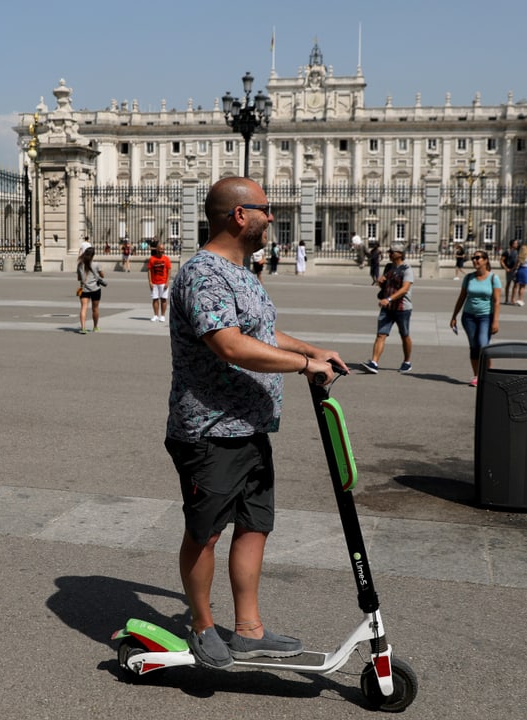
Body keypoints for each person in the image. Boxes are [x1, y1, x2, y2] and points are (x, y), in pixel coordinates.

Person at [165, 176, 347, 669]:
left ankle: (249, 630)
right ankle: (203, 626)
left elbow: (260, 331)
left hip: (249, 427)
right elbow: (229, 343)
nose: (272, 217)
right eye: (266, 209)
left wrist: (310, 348)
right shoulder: (204, 274)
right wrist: (303, 366)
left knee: (253, 527)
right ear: (240, 216)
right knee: (205, 533)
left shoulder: (242, 272)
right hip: (210, 431)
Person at [450, 250, 501, 387]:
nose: (475, 260)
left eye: (478, 258)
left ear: (485, 260)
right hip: (468, 317)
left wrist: (495, 321)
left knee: (483, 345)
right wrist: (454, 315)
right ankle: (477, 376)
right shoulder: (468, 278)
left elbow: (496, 301)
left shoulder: (493, 278)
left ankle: (489, 374)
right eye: (473, 258)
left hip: (486, 316)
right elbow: (462, 297)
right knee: (474, 347)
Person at [361, 247, 414, 374]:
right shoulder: (389, 267)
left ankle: (407, 362)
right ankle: (374, 363)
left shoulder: (407, 269)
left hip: (402, 308)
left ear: (400, 254)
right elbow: (384, 283)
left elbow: (405, 289)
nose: (389, 254)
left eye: (392, 252)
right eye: (389, 251)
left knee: (404, 335)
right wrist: (380, 282)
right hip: (387, 308)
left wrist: (389, 299)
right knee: (381, 334)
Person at [76, 247, 105, 334]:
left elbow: (78, 278)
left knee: (83, 308)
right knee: (95, 308)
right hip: (95, 289)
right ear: (93, 255)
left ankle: (83, 328)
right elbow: (102, 275)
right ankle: (95, 327)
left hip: (84, 289)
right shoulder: (96, 264)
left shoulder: (80, 264)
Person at [147, 241, 172, 323]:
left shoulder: (166, 259)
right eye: (161, 249)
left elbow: (169, 271)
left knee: (163, 299)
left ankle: (163, 315)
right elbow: (149, 271)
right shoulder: (152, 259)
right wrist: (150, 282)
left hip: (163, 282)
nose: (162, 250)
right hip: (154, 282)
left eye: (163, 249)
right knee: (155, 299)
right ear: (157, 249)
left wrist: (167, 282)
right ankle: (155, 315)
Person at [500, 239, 519, 303]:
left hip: (516, 269)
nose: (517, 244)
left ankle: (512, 299)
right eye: (516, 243)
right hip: (509, 270)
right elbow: (502, 261)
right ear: (512, 244)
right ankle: (506, 299)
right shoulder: (507, 252)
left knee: (516, 284)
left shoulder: (517, 251)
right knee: (508, 284)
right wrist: (506, 268)